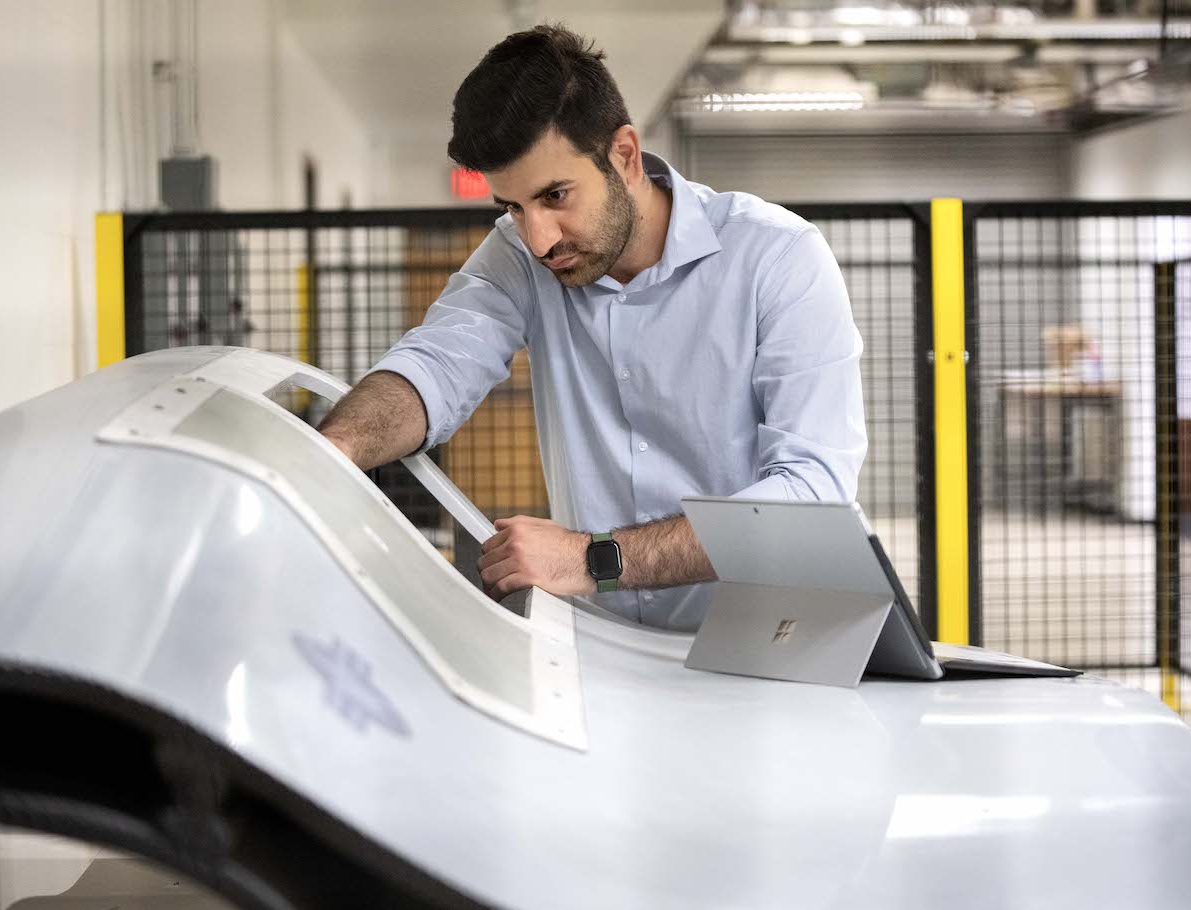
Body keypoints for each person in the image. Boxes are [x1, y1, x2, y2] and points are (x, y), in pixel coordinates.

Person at [319, 25, 866, 631]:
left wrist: (594, 558)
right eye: (512, 207)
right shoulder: (520, 257)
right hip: (610, 654)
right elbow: (436, 365)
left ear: (625, 156)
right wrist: (331, 451)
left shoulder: (777, 258)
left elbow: (814, 495)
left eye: (556, 195)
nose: (539, 238)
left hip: (771, 643)